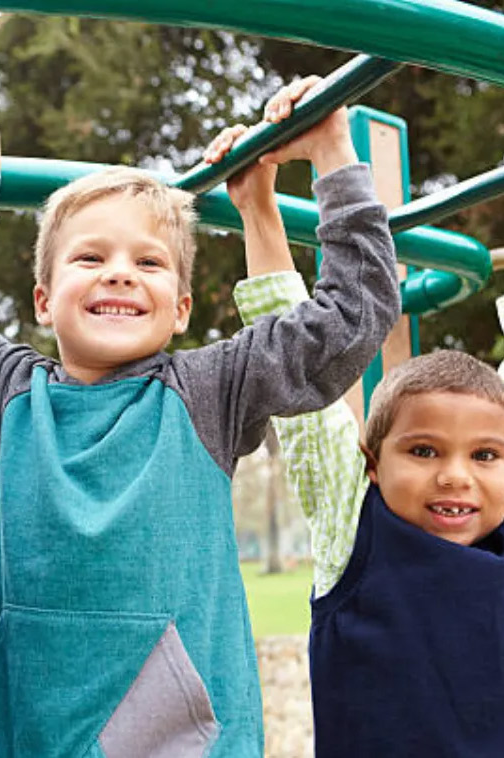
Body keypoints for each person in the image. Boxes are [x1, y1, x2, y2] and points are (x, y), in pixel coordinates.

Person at [0, 73, 400, 757]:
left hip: (181, 740)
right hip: (36, 732)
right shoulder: (10, 394)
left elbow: (353, 315)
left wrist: (333, 152)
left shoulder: (212, 390)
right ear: (42, 298)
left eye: (148, 262)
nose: (119, 273)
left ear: (181, 308)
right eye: (90, 257)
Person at [223, 84, 504, 758]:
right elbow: (293, 350)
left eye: (486, 456)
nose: (456, 478)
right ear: (372, 466)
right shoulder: (357, 525)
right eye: (425, 451)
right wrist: (268, 200)